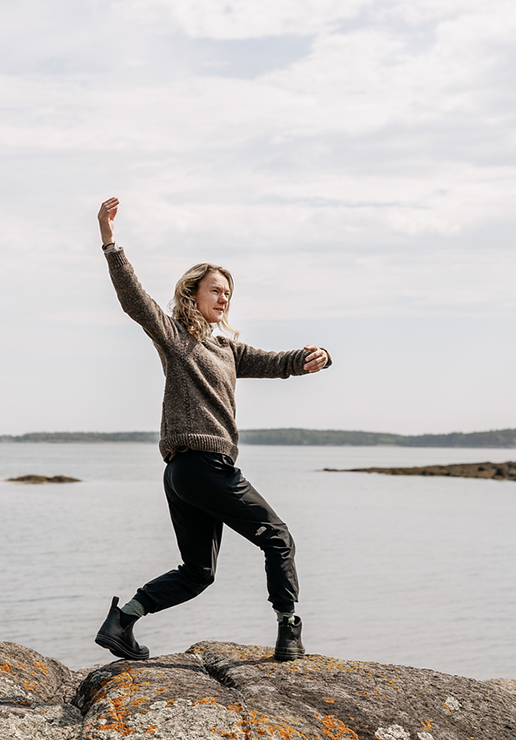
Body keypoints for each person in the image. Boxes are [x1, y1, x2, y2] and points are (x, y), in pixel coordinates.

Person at [92, 196, 332, 662]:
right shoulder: (177, 337)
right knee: (278, 538)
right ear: (192, 294)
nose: (223, 298)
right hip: (202, 466)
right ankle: (288, 630)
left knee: (198, 572)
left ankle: (123, 622)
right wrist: (110, 242)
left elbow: (279, 362)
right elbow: (133, 299)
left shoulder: (228, 349)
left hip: (186, 475)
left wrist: (311, 358)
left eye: (228, 293)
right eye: (216, 290)